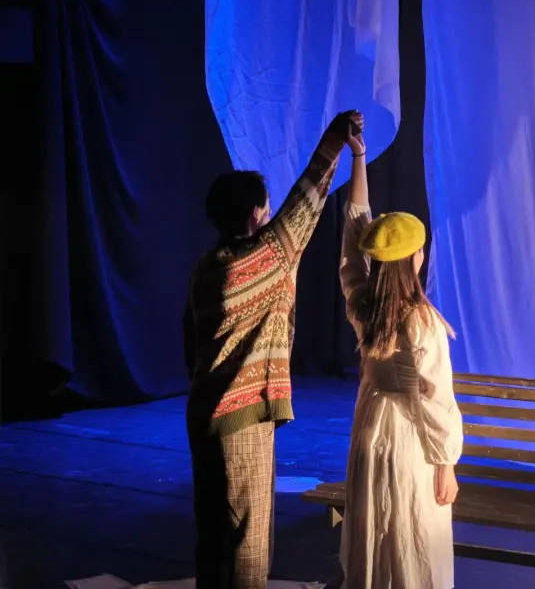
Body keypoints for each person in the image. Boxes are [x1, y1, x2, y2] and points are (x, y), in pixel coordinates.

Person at [183, 110, 361, 589]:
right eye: (263, 210)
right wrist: (336, 138)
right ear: (252, 215)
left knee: (212, 538)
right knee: (248, 545)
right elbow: (304, 204)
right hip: (240, 420)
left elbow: (189, 340)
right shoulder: (262, 260)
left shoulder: (207, 266)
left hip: (204, 411)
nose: (268, 216)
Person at [337, 119, 463, 589]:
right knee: (413, 538)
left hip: (372, 431)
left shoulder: (364, 306)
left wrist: (358, 158)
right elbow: (435, 397)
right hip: (409, 441)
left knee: (376, 537)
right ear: (415, 259)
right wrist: (446, 463)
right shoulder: (421, 321)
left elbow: (353, 242)